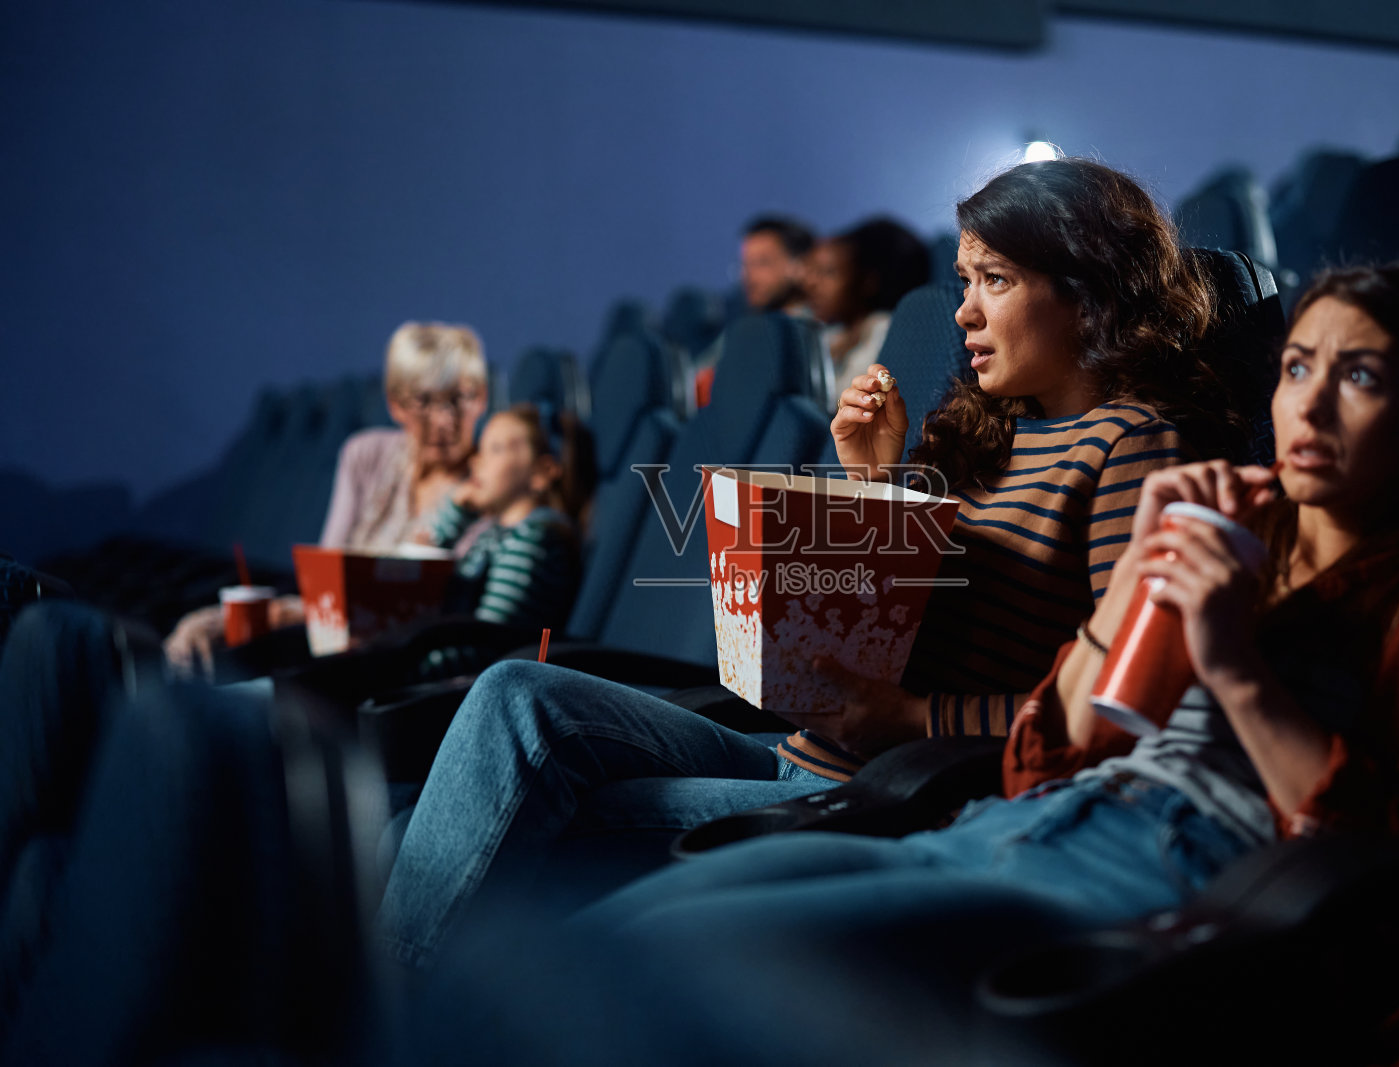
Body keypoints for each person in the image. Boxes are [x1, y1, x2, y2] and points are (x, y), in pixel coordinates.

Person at [510, 259, 1399, 1060]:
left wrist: (1232, 666)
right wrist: (1141, 574)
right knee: (607, 930)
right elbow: (1058, 747)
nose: (1307, 409)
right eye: (1296, 368)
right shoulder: (1240, 521)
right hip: (1018, 821)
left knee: (660, 970)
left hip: (1183, 884)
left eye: (1357, 376)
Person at [376, 157, 1251, 967]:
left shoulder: (1137, 447)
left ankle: (390, 1026)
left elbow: (1116, 716)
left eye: (995, 280)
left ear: (1085, 289)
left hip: (894, 793)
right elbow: (876, 624)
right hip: (801, 752)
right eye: (963, 282)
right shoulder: (993, 430)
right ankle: (389, 1010)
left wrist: (912, 717)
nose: (964, 313)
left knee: (509, 824)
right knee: (513, 693)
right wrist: (868, 480)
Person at [163, 322, 489, 677]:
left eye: (460, 399)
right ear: (396, 405)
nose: (445, 420)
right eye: (424, 401)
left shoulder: (491, 483)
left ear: (482, 398)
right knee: (184, 649)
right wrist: (225, 621)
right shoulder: (365, 455)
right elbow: (321, 585)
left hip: (401, 665)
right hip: (324, 642)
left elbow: (450, 607)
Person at [424, 405, 589, 632]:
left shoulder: (532, 539)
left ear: (542, 472)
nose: (476, 461)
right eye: (480, 449)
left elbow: (486, 640)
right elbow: (421, 572)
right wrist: (458, 512)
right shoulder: (491, 531)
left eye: (495, 449)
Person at [695, 215, 817, 407]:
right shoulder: (745, 327)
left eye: (762, 263)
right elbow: (697, 382)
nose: (748, 275)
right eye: (745, 264)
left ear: (800, 266)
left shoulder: (821, 330)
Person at [806, 216, 931, 385]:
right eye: (813, 271)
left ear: (867, 282)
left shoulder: (885, 333)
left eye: (829, 273)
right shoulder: (831, 335)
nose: (811, 283)